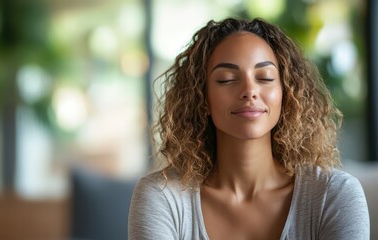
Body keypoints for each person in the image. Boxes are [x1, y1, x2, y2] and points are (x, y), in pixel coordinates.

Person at [128, 17, 370, 240]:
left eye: (264, 77)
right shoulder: (162, 197)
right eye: (226, 79)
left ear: (286, 94)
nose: (249, 90)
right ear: (201, 98)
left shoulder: (334, 195)